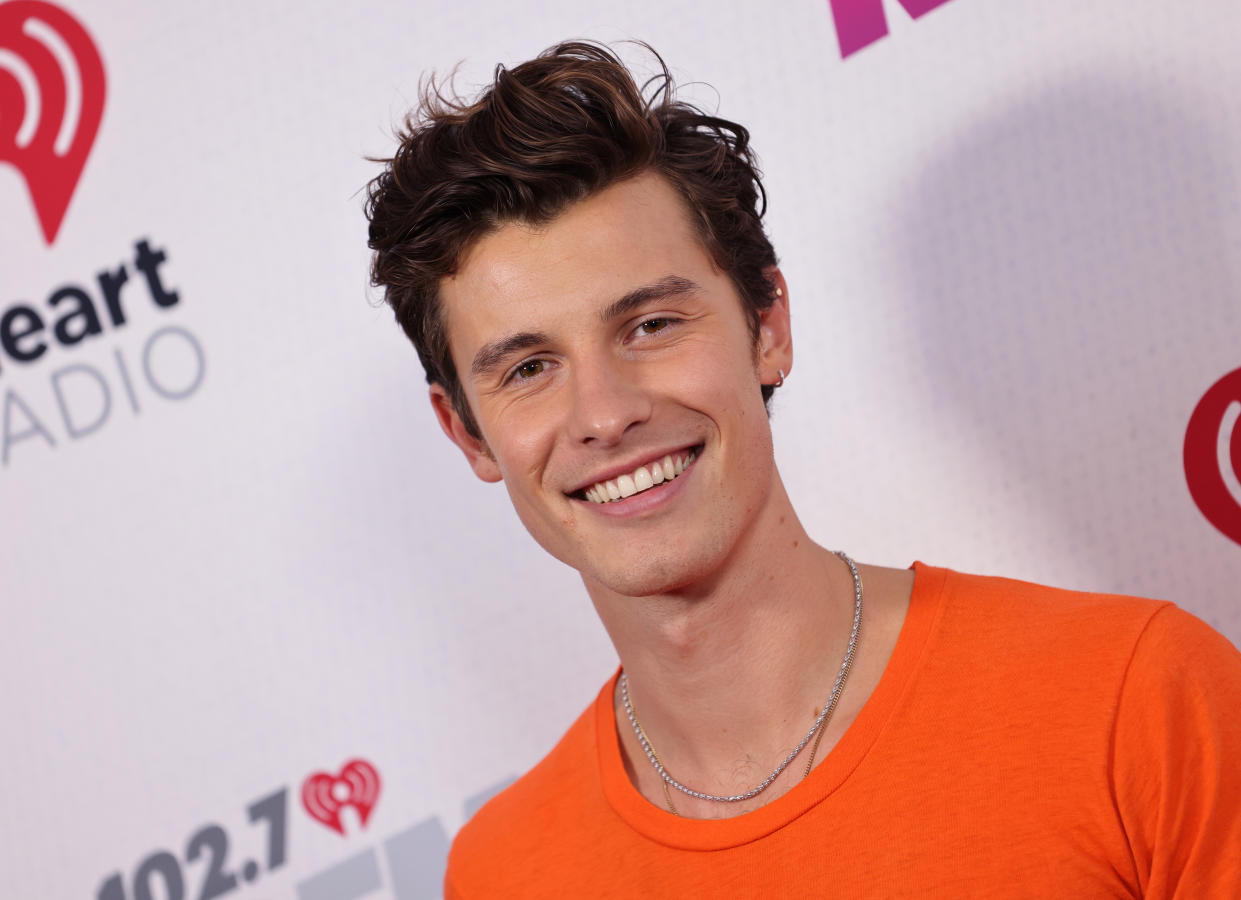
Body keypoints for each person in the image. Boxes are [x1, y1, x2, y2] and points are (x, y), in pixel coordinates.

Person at [365, 40, 1241, 897]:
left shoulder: (1132, 703)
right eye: (528, 369)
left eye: (651, 326)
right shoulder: (501, 874)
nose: (604, 415)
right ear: (469, 434)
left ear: (767, 328)